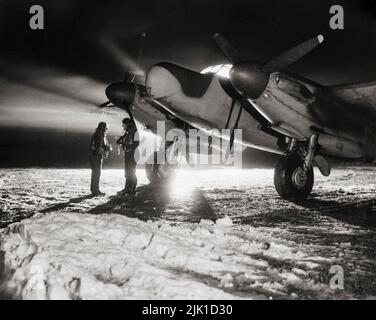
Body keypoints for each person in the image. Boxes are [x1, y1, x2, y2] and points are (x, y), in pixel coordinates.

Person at [116, 118, 139, 195]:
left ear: (128, 124)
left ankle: (132, 189)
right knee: (128, 172)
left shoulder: (134, 131)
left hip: (133, 154)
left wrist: (129, 148)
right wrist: (120, 140)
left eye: (124, 124)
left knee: (131, 172)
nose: (123, 126)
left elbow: (136, 143)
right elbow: (122, 139)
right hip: (129, 154)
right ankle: (127, 188)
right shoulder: (128, 132)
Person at [89, 122, 111, 196]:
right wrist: (107, 148)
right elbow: (99, 146)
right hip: (96, 156)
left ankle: (94, 189)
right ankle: (96, 190)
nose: (107, 129)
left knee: (95, 173)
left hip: (95, 155)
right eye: (106, 127)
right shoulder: (99, 135)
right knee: (97, 173)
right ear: (102, 127)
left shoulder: (99, 134)